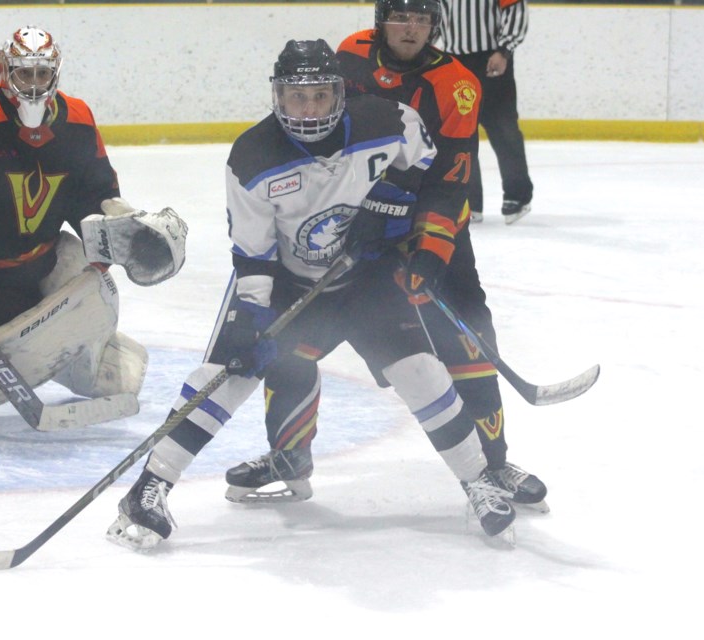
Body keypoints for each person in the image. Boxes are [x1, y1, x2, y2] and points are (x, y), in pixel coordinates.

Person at [106, 39, 518, 551]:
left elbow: (432, 170)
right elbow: (253, 257)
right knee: (226, 377)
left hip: (367, 282)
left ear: (340, 94)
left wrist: (396, 213)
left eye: (320, 96)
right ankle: (150, 487)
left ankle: (478, 480)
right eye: (296, 98)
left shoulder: (389, 122)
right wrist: (251, 318)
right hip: (290, 287)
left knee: (421, 371)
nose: (308, 109)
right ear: (278, 98)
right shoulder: (253, 156)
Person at [225, 0, 546, 527]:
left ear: (435, 26)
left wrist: (429, 251)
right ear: (381, 20)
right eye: (402, 16)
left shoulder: (457, 82)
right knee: (291, 342)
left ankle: (491, 465)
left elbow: (450, 177)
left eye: (422, 19)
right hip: (347, 229)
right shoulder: (348, 55)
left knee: (465, 336)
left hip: (425, 225)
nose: (411, 28)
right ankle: (290, 455)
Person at [0, 25, 188, 443]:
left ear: (55, 73)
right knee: (33, 350)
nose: (33, 84)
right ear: (6, 71)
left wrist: (123, 219)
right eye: (24, 73)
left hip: (40, 258)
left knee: (95, 291)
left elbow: (96, 194)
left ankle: (104, 364)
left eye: (41, 74)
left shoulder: (78, 119)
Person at [439, 0, 533, 224]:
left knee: (504, 130)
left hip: (491, 57)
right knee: (461, 132)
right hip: (454, 60)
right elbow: (436, 12)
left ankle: (517, 195)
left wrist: (504, 50)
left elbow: (515, 10)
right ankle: (468, 199)